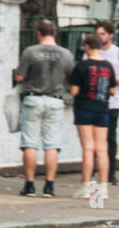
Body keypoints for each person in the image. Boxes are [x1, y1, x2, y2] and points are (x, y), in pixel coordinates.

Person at [14, 19, 74, 197]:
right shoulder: (66, 54)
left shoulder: (30, 52)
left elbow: (19, 77)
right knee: (52, 144)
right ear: (54, 33)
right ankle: (49, 186)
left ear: (38, 33)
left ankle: (30, 185)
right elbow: (71, 78)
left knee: (30, 143)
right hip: (55, 100)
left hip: (33, 99)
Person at [69, 33, 115, 209]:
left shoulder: (82, 66)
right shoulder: (108, 66)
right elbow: (112, 90)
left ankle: (86, 187)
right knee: (102, 149)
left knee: (88, 148)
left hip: (84, 109)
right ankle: (102, 189)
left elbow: (74, 91)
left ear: (87, 46)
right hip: (102, 109)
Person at [95, 21, 119, 184]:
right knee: (94, 140)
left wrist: (109, 78)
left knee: (110, 139)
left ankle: (110, 174)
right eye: (97, 33)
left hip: (112, 102)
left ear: (110, 35)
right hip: (94, 101)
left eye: (102, 34)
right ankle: (94, 172)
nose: (99, 37)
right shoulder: (91, 52)